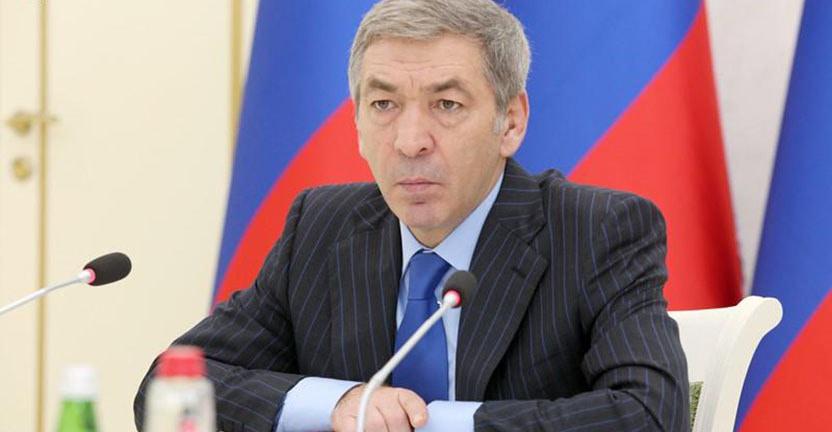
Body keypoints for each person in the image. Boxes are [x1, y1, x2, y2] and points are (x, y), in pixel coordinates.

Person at [134, 0, 689, 430]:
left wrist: (431, 423)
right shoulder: (322, 228)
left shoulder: (596, 230)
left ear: (511, 122)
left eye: (447, 105)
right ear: (356, 123)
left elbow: (650, 414)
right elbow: (170, 384)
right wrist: (342, 405)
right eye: (384, 105)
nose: (409, 140)